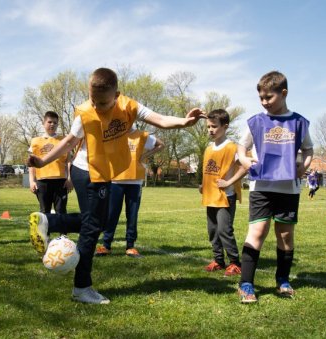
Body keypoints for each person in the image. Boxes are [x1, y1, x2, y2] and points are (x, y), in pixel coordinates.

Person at [28, 67, 205, 304]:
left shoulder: (129, 106)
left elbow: (160, 120)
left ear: (117, 94)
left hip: (104, 173)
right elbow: (69, 141)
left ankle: (49, 221)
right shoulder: (84, 113)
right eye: (93, 100)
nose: (97, 107)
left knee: (96, 223)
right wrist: (42, 161)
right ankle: (82, 287)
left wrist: (184, 122)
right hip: (87, 172)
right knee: (93, 227)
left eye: (103, 102)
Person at [236, 71, 314, 303]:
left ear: (284, 93)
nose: (264, 102)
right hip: (261, 187)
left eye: (269, 97)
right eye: (261, 97)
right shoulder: (256, 121)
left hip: (289, 188)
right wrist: (243, 159)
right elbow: (241, 147)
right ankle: (246, 284)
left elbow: (308, 149)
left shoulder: (299, 122)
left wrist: (304, 166)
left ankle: (283, 280)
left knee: (286, 236)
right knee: (257, 232)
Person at [94, 127, 164, 258]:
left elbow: (161, 145)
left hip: (135, 181)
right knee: (111, 214)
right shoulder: (114, 133)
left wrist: (145, 156)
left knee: (132, 215)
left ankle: (130, 246)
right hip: (115, 180)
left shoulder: (142, 135)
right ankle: (106, 245)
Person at [199, 109, 247, 276]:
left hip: (226, 196)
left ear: (225, 126)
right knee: (212, 230)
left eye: (214, 126)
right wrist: (203, 185)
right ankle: (218, 260)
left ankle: (235, 262)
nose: (210, 130)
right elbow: (209, 171)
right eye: (208, 127)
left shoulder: (232, 147)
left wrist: (229, 182)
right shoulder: (209, 148)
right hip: (210, 195)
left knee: (224, 230)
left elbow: (244, 167)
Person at [28, 111, 73, 214]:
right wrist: (32, 181)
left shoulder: (64, 140)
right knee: (44, 212)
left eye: (55, 122)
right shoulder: (35, 141)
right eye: (49, 122)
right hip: (42, 182)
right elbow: (31, 165)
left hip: (60, 181)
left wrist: (70, 178)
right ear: (43, 123)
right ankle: (44, 231)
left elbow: (69, 161)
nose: (52, 124)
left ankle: (62, 231)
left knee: (61, 211)